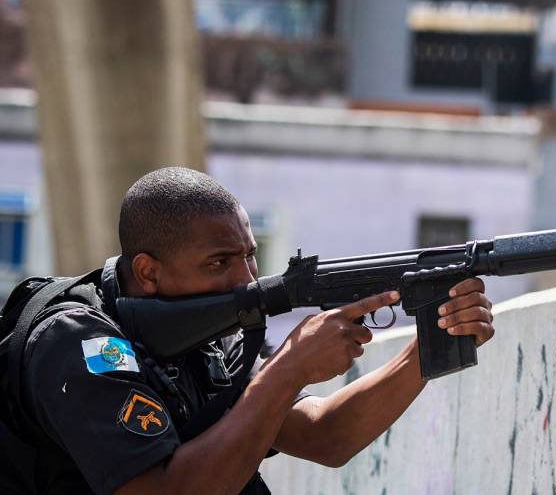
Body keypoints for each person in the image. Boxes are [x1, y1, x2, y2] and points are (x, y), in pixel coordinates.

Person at [16, 167, 495, 494]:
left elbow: (325, 436)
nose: (245, 278)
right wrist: (287, 370)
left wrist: (426, 346)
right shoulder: (78, 342)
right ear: (148, 272)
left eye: (249, 254)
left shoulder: (202, 334)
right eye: (219, 262)